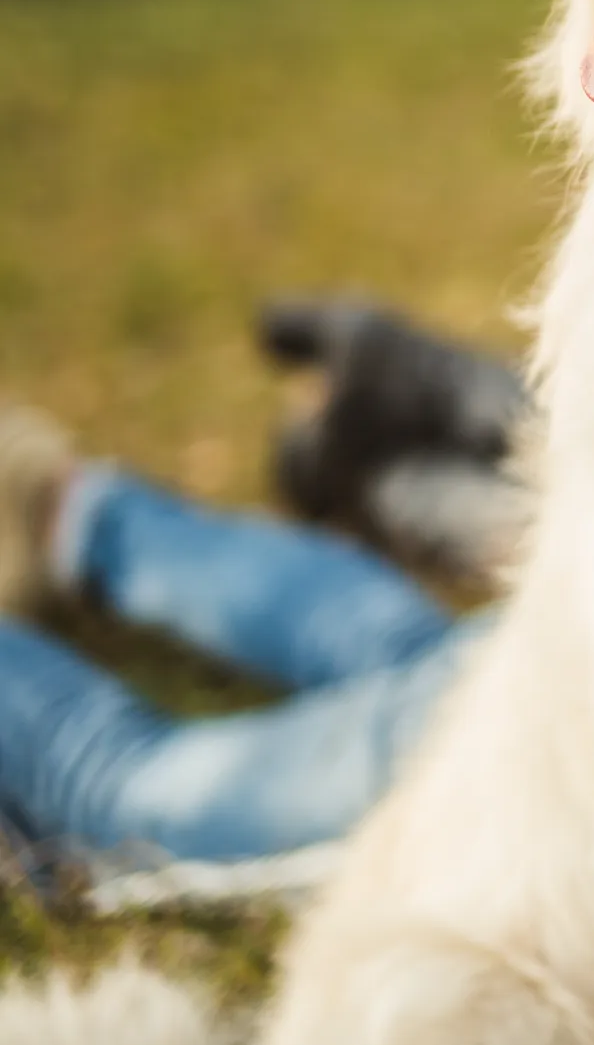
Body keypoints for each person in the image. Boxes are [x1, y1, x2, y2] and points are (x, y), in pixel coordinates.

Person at [0, 304, 526, 869]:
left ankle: (62, 504)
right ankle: (56, 511)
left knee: (416, 652)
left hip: (550, 673)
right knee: (121, 788)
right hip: (538, 762)